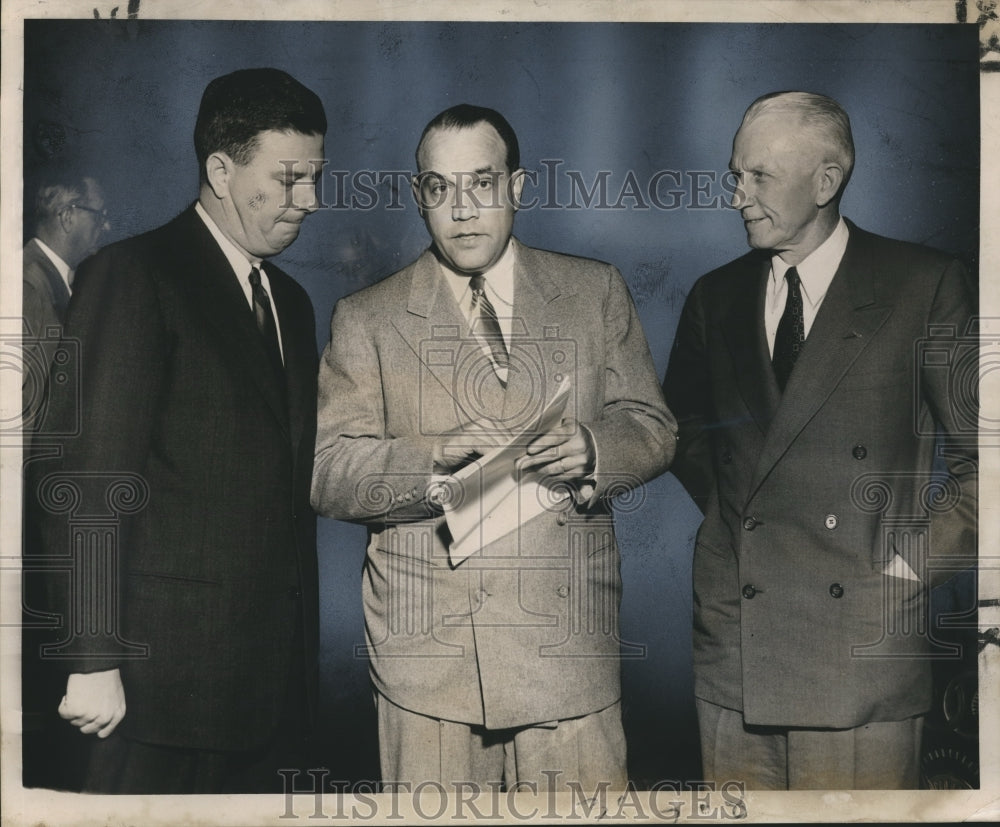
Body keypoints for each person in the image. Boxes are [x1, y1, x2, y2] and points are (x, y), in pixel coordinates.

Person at [312, 104, 675, 792]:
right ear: (420, 198)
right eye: (440, 188)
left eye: (481, 183)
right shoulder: (366, 318)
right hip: (429, 675)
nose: (462, 208)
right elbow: (327, 471)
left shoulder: (594, 292)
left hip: (565, 659)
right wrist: (429, 456)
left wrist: (595, 449)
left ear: (517, 186)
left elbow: (653, 424)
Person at [662, 91, 977, 789]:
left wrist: (906, 566)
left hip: (860, 647)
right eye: (734, 176)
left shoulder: (923, 286)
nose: (738, 195)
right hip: (738, 649)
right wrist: (738, 514)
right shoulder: (714, 296)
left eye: (759, 177)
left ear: (826, 181)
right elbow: (677, 427)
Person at [29, 67, 326, 794]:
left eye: (316, 178)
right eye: (289, 180)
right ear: (220, 171)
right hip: (153, 697)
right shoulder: (131, 276)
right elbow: (83, 477)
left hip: (269, 696)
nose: (311, 202)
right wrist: (93, 660)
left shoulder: (291, 300)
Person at [22, 172, 109, 437]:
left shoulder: (50, 280)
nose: (106, 227)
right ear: (67, 216)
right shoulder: (29, 285)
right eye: (99, 215)